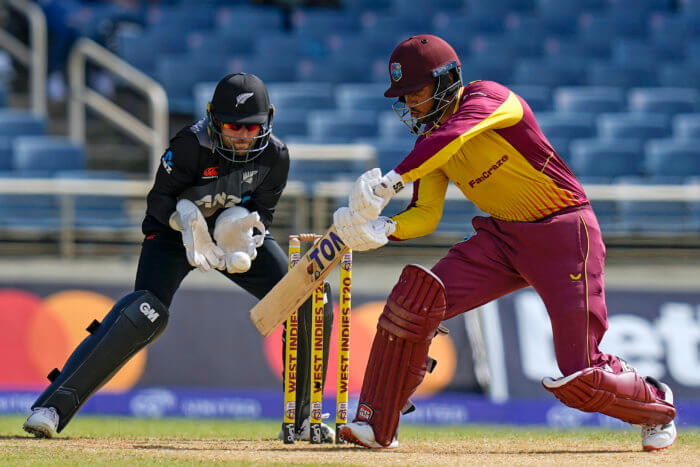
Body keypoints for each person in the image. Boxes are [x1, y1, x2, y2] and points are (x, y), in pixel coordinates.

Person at [332, 35, 677, 451]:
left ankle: (656, 404)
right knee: (416, 302)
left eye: (416, 93)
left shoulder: (490, 98)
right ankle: (377, 425)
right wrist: (384, 229)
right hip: (504, 238)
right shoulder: (429, 143)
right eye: (403, 98)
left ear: (447, 82)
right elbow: (426, 215)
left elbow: (456, 136)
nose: (410, 106)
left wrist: (390, 181)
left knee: (581, 371)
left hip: (564, 232)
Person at [22, 73, 335, 442]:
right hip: (174, 236)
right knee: (143, 313)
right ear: (213, 119)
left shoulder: (276, 156)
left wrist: (243, 238)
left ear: (269, 119)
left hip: (229, 237)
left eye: (253, 128)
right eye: (234, 127)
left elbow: (262, 214)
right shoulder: (190, 144)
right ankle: (52, 408)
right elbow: (158, 200)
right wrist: (183, 221)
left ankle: (302, 419)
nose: (243, 137)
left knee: (310, 297)